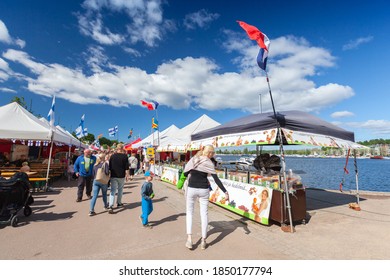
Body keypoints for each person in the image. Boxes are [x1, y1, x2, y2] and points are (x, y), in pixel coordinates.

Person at [183, 145, 229, 250]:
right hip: (204, 190)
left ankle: (189, 239)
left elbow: (185, 173)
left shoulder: (194, 159)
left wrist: (192, 170)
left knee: (189, 213)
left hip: (192, 188)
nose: (212, 155)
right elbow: (217, 180)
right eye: (212, 154)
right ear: (210, 153)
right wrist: (225, 192)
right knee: (204, 214)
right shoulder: (209, 163)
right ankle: (203, 241)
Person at [108, 143, 129, 213]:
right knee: (120, 190)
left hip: (113, 175)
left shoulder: (112, 156)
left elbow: (109, 167)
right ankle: (119, 203)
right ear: (122, 148)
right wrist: (127, 176)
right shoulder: (125, 156)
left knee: (113, 190)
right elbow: (127, 168)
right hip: (121, 175)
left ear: (117, 148)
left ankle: (110, 205)